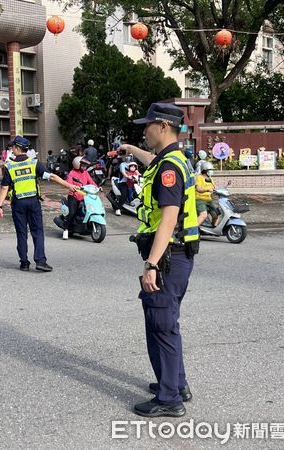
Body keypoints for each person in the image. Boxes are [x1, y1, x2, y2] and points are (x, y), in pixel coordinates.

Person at [118, 102, 199, 418]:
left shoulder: (169, 169)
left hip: (167, 258)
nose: (145, 130)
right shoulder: (174, 159)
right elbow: (151, 159)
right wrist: (129, 148)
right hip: (178, 256)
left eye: (148, 125)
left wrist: (151, 263)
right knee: (168, 323)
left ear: (163, 126)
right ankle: (176, 384)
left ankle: (169, 399)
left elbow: (169, 217)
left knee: (161, 325)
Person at [0, 135, 77, 271]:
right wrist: (68, 185)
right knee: (38, 231)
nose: (11, 150)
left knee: (21, 233)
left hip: (18, 204)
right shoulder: (34, 164)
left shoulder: (9, 166)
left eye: (13, 147)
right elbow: (51, 176)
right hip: (33, 202)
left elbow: (4, 188)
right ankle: (40, 261)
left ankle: (24, 263)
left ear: (17, 148)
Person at [62, 156, 97, 240]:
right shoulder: (72, 173)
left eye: (85, 166)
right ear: (77, 165)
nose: (84, 168)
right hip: (73, 196)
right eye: (83, 166)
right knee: (72, 213)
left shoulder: (85, 173)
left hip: (84, 196)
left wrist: (97, 187)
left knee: (89, 210)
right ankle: (66, 230)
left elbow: (91, 182)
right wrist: (73, 186)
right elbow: (69, 183)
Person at [195, 161, 219, 226]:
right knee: (203, 215)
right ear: (205, 170)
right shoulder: (199, 178)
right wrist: (207, 189)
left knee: (216, 215)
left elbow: (214, 188)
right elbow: (198, 189)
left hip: (209, 200)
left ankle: (213, 229)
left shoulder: (210, 179)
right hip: (200, 200)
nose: (212, 171)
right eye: (210, 170)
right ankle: (192, 230)